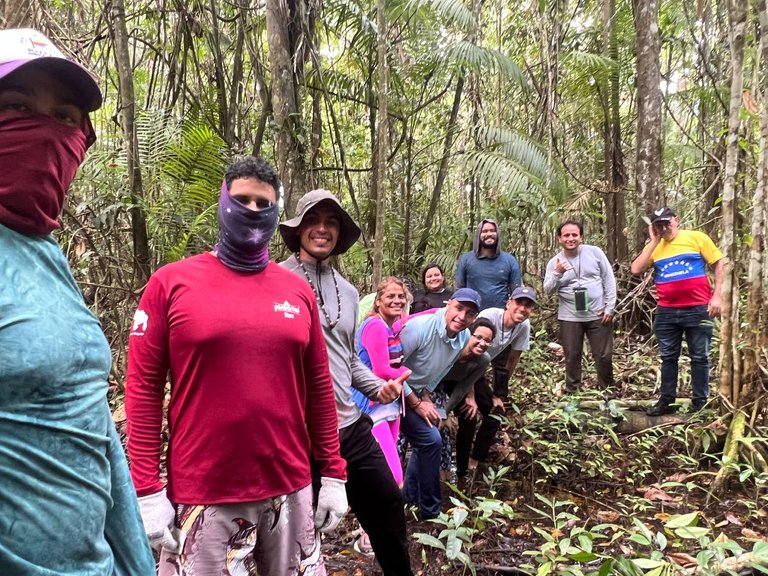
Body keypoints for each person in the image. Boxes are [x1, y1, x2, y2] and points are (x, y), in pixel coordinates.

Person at [126, 158, 348, 576]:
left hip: (290, 485)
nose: (251, 209)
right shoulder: (171, 283)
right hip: (206, 491)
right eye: (241, 199)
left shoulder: (296, 290)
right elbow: (142, 388)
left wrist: (333, 475)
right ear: (222, 202)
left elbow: (319, 386)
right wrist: (146, 490)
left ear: (277, 211)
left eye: (262, 202)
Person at [0, 28, 155, 575]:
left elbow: (90, 422)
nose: (44, 129)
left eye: (64, 116)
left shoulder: (45, 253)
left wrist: (137, 563)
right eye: (16, 105)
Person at [279, 189, 413, 576]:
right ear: (299, 228)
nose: (322, 229)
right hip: (297, 432)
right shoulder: (276, 281)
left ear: (340, 232)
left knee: (388, 504)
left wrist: (377, 387)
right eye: (313, 220)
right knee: (299, 529)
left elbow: (349, 358)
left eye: (331, 222)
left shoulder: (350, 292)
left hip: (350, 425)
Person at [396, 288, 482, 519]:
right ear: (448, 305)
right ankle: (418, 508)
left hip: (413, 391)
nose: (462, 316)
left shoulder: (463, 337)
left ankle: (420, 506)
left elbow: (440, 370)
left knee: (431, 440)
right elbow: (391, 367)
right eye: (459, 308)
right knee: (413, 444)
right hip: (386, 390)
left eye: (470, 313)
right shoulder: (421, 327)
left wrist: (425, 395)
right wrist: (415, 403)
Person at [630, 207, 723, 416]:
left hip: (698, 308)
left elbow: (719, 264)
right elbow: (636, 269)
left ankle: (700, 402)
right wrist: (653, 241)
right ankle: (666, 400)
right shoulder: (655, 246)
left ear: (676, 220)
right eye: (658, 224)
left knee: (700, 356)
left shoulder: (696, 238)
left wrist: (717, 296)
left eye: (667, 222)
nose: (664, 227)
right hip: (667, 311)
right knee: (668, 357)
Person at [455, 286, 536, 478]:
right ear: (509, 303)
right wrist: (470, 396)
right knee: (469, 414)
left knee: (496, 413)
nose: (522, 309)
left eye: (528, 306)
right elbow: (469, 353)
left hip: (479, 370)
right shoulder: (490, 316)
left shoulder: (523, 326)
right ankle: (460, 467)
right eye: (519, 303)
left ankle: (476, 460)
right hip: (459, 367)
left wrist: (499, 394)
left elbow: (512, 359)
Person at [455, 218, 522, 435]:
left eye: (493, 230)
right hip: (473, 320)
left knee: (501, 363)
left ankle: (499, 399)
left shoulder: (509, 261)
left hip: (501, 320)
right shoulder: (467, 260)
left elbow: (517, 291)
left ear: (497, 234)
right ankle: (470, 396)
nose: (489, 234)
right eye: (485, 231)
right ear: (479, 234)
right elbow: (459, 288)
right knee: (473, 361)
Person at [543, 221, 617, 393]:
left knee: (603, 356)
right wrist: (557, 273)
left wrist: (610, 307)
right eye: (566, 235)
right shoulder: (554, 262)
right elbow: (548, 290)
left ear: (581, 237)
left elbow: (608, 279)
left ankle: (608, 392)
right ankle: (572, 393)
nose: (571, 238)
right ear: (559, 238)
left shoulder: (595, 253)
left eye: (574, 235)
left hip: (598, 314)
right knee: (572, 355)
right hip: (570, 317)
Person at [353, 277, 412, 487]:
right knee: (394, 475)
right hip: (372, 402)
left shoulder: (391, 326)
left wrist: (438, 312)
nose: (397, 300)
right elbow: (381, 369)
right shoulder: (375, 326)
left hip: (391, 402)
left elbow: (412, 317)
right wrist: (406, 371)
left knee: (385, 465)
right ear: (378, 301)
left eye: (401, 296)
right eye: (390, 296)